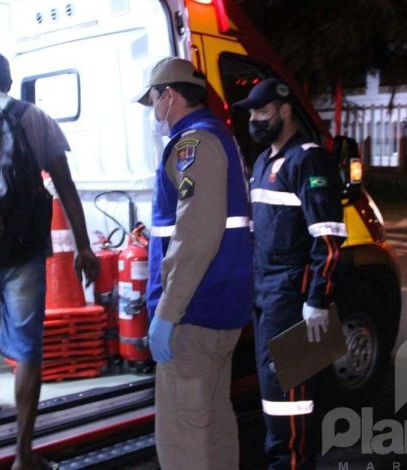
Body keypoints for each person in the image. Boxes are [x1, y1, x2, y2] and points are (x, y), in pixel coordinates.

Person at [0, 49, 98, 470]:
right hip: (27, 243)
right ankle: (23, 455)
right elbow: (64, 183)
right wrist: (84, 246)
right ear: (9, 83)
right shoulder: (37, 117)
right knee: (28, 345)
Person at [133, 57, 253, 469]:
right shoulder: (215, 136)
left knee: (185, 440)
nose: (154, 112)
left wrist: (167, 312)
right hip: (216, 307)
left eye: (153, 101)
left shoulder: (193, 143)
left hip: (193, 314)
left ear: (168, 95)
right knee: (212, 426)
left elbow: (197, 234)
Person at [234, 78, 346, 469]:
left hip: (295, 302)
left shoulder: (309, 160)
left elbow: (329, 238)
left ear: (283, 110)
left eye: (260, 112)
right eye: (250, 113)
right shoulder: (265, 160)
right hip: (267, 298)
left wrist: (318, 300)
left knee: (292, 406)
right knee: (275, 404)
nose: (253, 120)